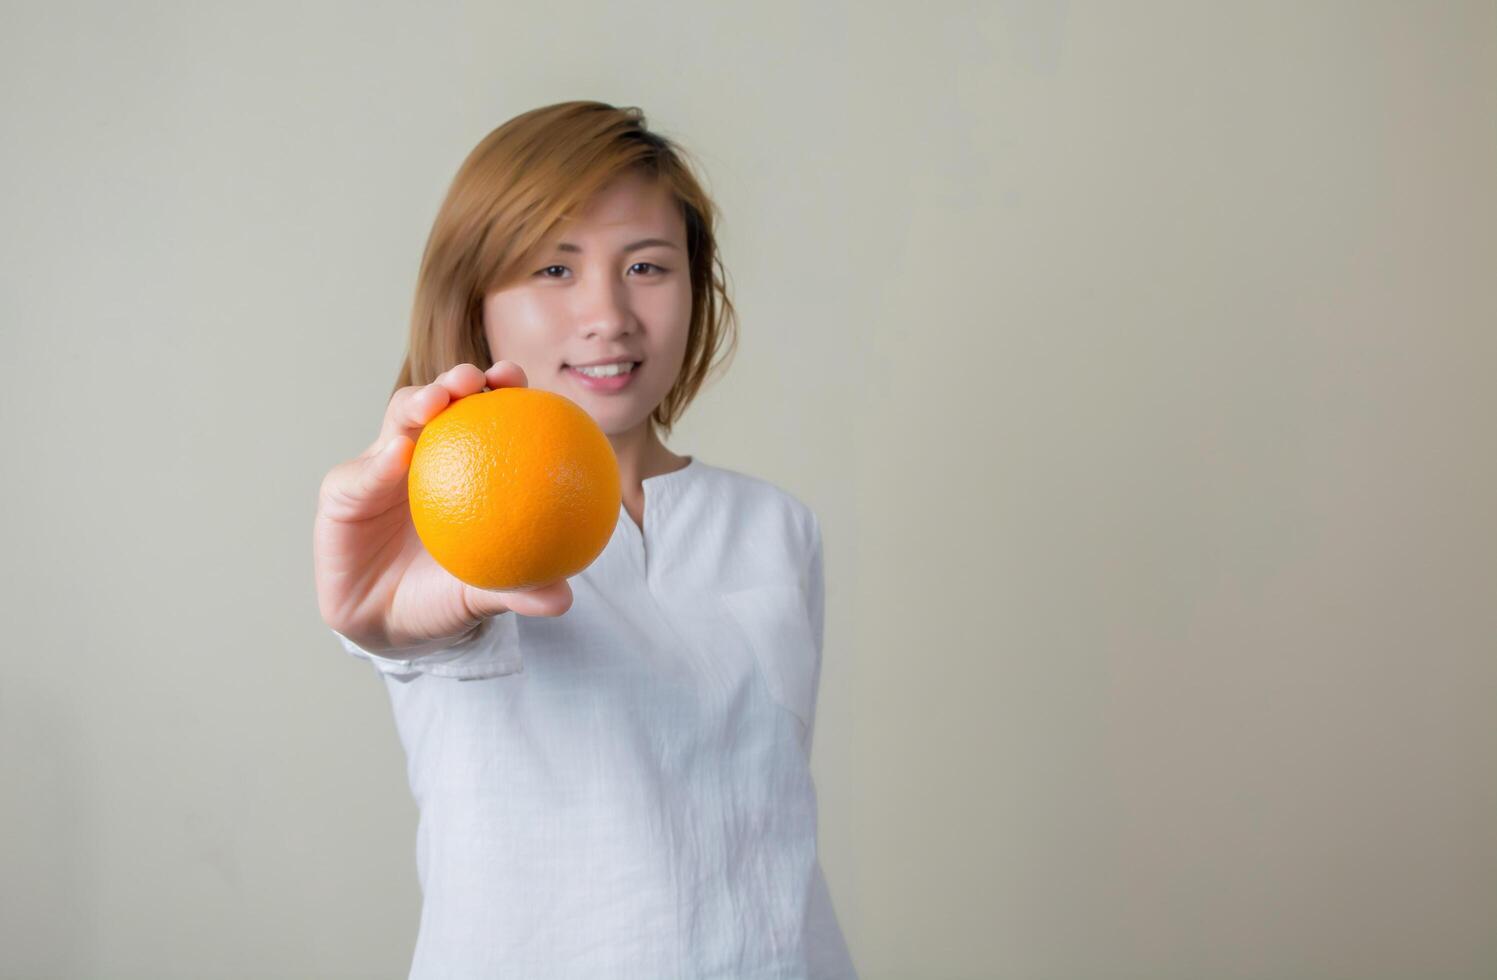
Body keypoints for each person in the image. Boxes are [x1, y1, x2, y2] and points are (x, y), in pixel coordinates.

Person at [311, 101, 858, 979]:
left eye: (646, 266)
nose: (607, 314)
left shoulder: (776, 529)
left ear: (696, 286)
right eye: (552, 269)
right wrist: (383, 619)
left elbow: (765, 834)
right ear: (475, 298)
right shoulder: (436, 529)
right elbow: (412, 631)